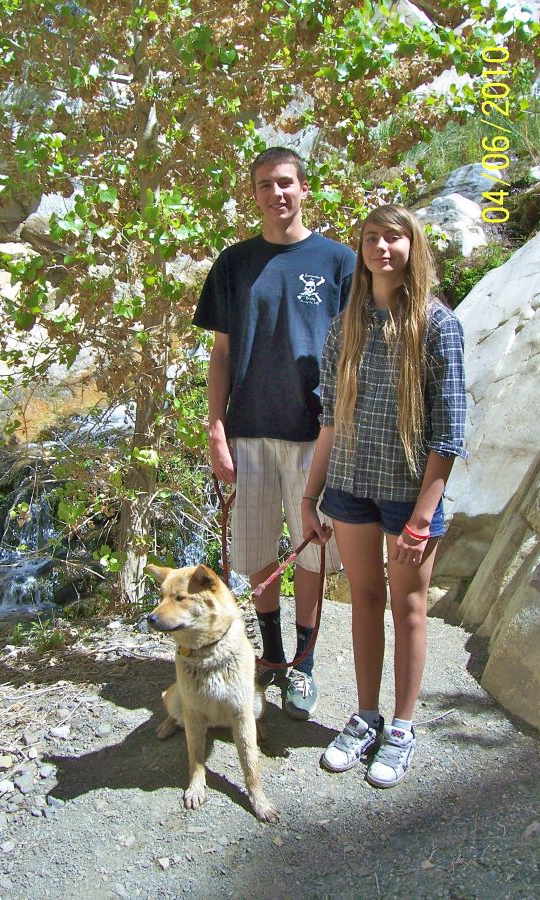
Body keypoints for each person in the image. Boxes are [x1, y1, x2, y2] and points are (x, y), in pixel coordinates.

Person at [301, 203, 467, 786]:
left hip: (406, 495)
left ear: (412, 247)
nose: (382, 248)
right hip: (348, 485)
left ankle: (401, 727)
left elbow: (448, 433)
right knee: (365, 601)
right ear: (361, 249)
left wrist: (424, 516)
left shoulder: (437, 324)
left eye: (394, 239)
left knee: (409, 607)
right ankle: (365, 715)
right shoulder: (344, 323)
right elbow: (329, 416)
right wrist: (310, 494)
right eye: (372, 238)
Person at [193, 146, 356, 719]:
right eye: (265, 184)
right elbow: (220, 352)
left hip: (318, 434)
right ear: (254, 193)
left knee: (311, 551)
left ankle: (303, 665)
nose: (276, 193)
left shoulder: (340, 261)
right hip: (251, 431)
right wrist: (215, 427)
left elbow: (359, 350)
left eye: (285, 183)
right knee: (259, 548)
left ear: (304, 189)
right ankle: (271, 654)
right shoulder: (234, 264)